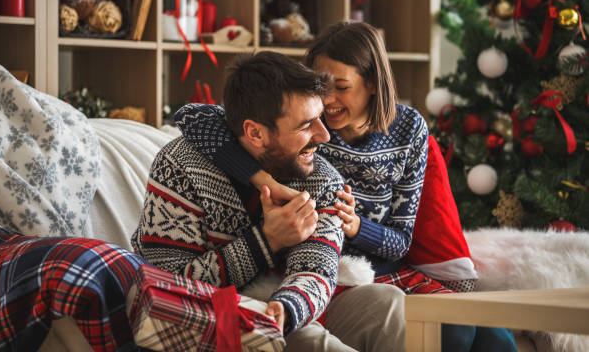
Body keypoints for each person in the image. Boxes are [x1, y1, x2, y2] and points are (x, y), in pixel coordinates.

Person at [175, 22, 517, 352]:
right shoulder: (308, 124)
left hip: (387, 270)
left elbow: (401, 242)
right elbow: (193, 117)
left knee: (494, 335)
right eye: (321, 86)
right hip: (324, 272)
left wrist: (357, 227)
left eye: (341, 86)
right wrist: (259, 177)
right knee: (451, 336)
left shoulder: (409, 129)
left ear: (371, 83)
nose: (329, 100)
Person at [133, 51, 406, 352]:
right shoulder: (179, 166)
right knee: (308, 340)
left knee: (390, 303)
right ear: (255, 133)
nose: (325, 135)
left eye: (321, 118)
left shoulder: (321, 178)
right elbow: (170, 284)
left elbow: (318, 268)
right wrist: (266, 242)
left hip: (291, 306)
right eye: (306, 125)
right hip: (207, 319)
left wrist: (287, 309)